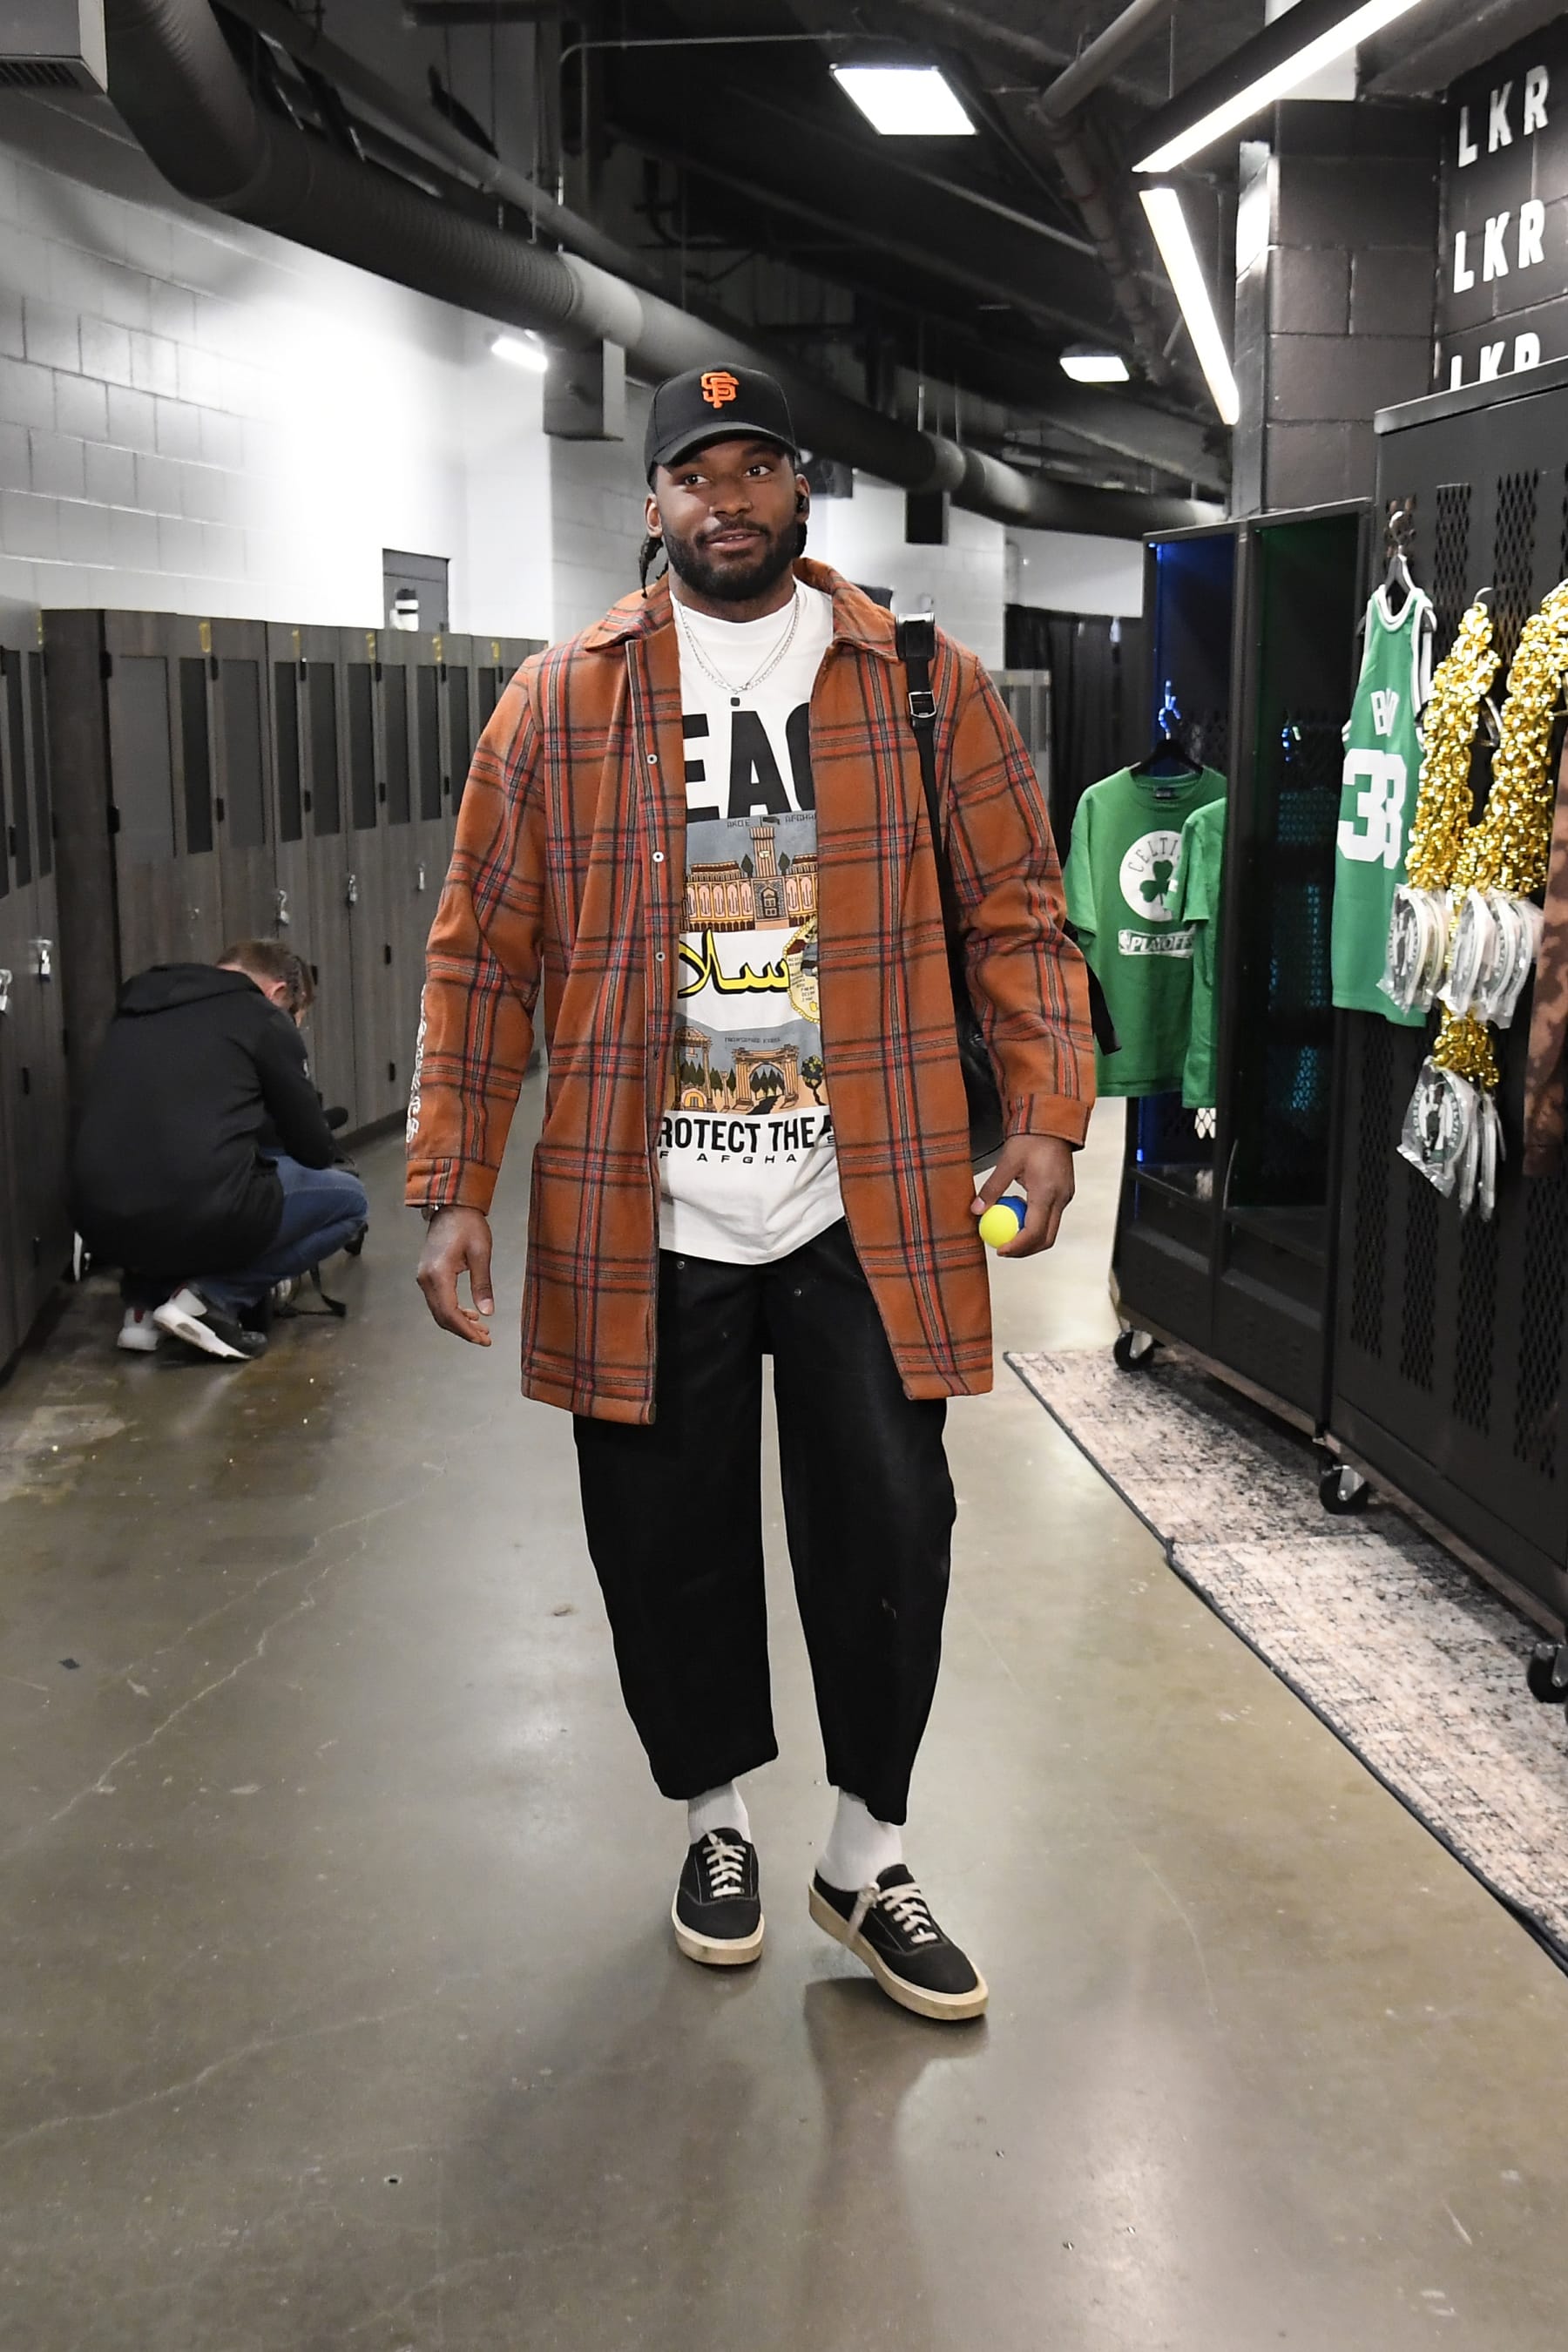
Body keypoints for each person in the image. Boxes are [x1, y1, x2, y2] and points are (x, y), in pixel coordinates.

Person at [409, 366, 1092, 2023]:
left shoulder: (924, 681)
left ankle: (865, 1854)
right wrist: (453, 1183)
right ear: (651, 504)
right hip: (642, 1205)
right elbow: (479, 956)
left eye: (758, 470)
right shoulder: (558, 701)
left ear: (804, 494)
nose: (728, 501)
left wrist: (1051, 1113)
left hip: (866, 1189)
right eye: (695, 474)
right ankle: (713, 1821)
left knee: (892, 1529)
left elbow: (1016, 907)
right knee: (666, 1538)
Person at [72, 941, 368, 1362]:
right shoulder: (262, 1017)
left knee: (174, 1176)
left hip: (99, 1221)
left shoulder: (140, 1006)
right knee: (348, 1201)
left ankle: (142, 1306)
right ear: (277, 992)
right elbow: (315, 1151)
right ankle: (207, 1301)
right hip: (196, 1211)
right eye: (294, 1018)